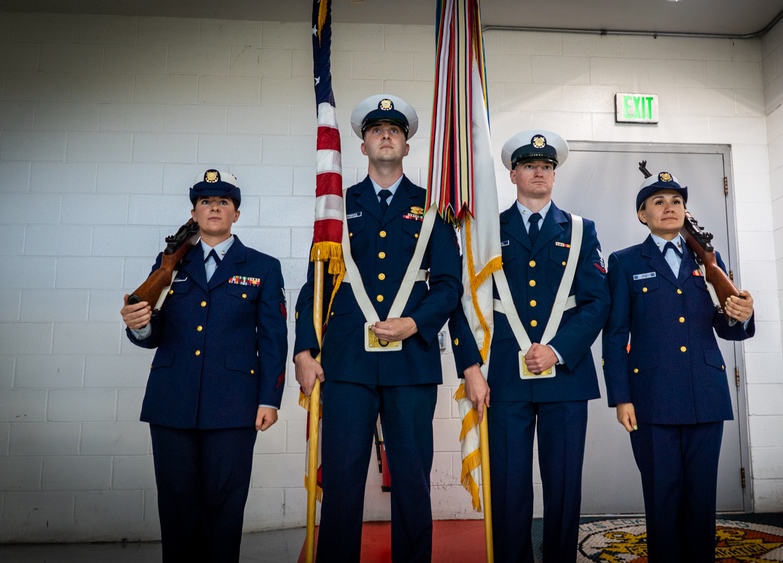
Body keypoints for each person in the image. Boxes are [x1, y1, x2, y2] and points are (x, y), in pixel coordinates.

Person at [293, 94, 463, 562]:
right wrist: (304, 351)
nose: (385, 136)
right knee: (344, 480)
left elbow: (449, 286)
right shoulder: (337, 206)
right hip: (347, 362)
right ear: (363, 145)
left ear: (406, 147)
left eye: (394, 131)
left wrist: (415, 322)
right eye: (376, 131)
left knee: (411, 480)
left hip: (412, 361)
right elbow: (315, 284)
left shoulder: (433, 206)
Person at [453, 130, 610, 562]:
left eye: (546, 166)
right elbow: (463, 302)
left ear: (554, 175)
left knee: (563, 485)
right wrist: (471, 368)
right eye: (529, 166)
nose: (538, 172)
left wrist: (557, 350)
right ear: (512, 174)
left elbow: (598, 302)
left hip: (565, 375)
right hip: (504, 374)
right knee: (509, 483)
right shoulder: (486, 231)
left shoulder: (581, 230)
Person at [120, 169, 288, 562]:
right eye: (206, 202)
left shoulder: (263, 266)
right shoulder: (169, 265)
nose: (215, 208)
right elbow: (149, 331)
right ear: (193, 213)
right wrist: (139, 325)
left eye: (224, 202)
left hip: (234, 405)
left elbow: (273, 339)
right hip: (172, 400)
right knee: (176, 507)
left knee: (224, 507)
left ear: (236, 214)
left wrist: (270, 399)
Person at [603, 171, 755, 562]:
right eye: (658, 202)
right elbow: (616, 334)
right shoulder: (624, 262)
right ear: (642, 214)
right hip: (652, 398)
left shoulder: (710, 261)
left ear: (686, 212)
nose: (669, 208)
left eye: (676, 201)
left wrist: (742, 313)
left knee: (701, 498)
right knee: (662, 495)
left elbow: (730, 329)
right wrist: (621, 397)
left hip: (705, 392)